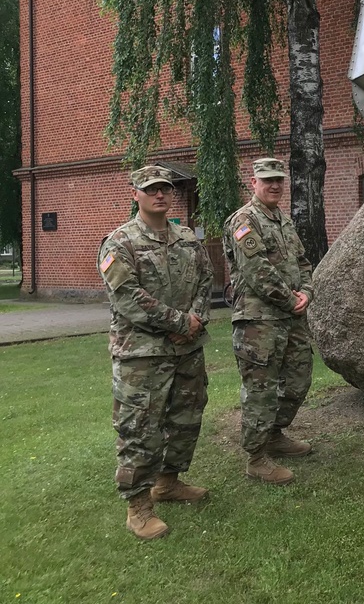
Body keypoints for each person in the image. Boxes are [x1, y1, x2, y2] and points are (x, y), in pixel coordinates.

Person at [97, 165, 214, 540]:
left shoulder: (186, 238)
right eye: (151, 189)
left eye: (164, 188)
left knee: (185, 418)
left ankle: (168, 483)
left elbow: (206, 279)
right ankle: (138, 506)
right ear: (136, 195)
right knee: (140, 429)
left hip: (187, 352)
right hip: (142, 355)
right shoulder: (120, 242)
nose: (159, 194)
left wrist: (196, 318)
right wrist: (182, 324)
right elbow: (129, 298)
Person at [223, 158, 315, 485]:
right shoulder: (245, 221)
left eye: (279, 179)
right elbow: (258, 272)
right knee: (260, 389)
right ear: (254, 183)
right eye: (267, 180)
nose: (274, 185)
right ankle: (256, 457)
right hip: (258, 321)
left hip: (290, 318)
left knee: (298, 377)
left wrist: (307, 291)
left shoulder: (283, 221)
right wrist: (294, 301)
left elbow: (303, 261)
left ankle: (275, 434)